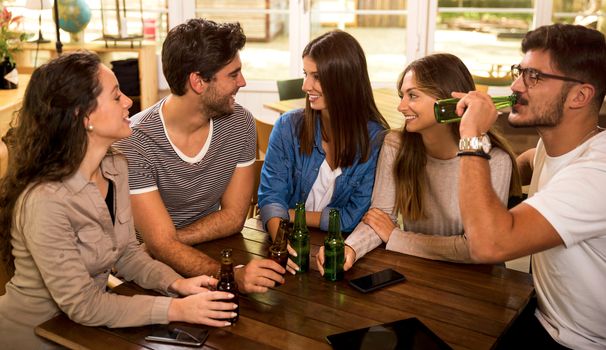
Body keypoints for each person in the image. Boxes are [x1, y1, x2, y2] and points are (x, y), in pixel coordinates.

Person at [0, 52, 239, 349]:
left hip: (88, 331)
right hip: (34, 336)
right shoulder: (45, 200)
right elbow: (83, 305)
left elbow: (126, 253)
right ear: (83, 115)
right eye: (116, 97)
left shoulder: (116, 166)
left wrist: (176, 283)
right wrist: (175, 309)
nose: (128, 102)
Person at [454, 24, 606, 349]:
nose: (515, 86)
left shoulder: (597, 173)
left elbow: (488, 246)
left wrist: (472, 137)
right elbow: (526, 161)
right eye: (519, 72)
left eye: (533, 77)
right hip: (540, 313)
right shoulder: (552, 146)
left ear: (580, 96)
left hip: (581, 343)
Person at [114, 19, 284, 292]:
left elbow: (233, 217)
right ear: (198, 82)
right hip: (143, 269)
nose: (242, 81)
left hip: (204, 249)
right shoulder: (135, 142)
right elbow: (157, 247)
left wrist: (170, 241)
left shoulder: (240, 124)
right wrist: (230, 276)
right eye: (233, 74)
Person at [316, 53, 521, 273]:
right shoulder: (396, 145)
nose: (401, 107)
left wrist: (397, 237)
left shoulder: (496, 161)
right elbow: (379, 219)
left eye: (413, 95)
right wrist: (350, 248)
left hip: (480, 282)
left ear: (449, 103)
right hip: (420, 272)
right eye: (402, 95)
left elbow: (474, 248)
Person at [257, 30, 389, 273]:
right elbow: (270, 198)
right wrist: (281, 245)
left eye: (317, 76)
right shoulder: (287, 126)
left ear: (344, 80)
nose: (306, 86)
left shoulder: (376, 141)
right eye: (305, 74)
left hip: (338, 252)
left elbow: (352, 217)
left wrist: (292, 215)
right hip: (282, 241)